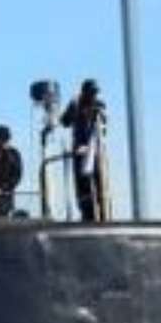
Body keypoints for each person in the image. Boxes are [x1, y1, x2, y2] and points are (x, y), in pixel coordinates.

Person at [60, 79, 108, 222]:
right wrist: (73, 110)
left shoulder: (99, 106)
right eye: (90, 93)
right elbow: (64, 122)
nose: (92, 96)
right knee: (83, 186)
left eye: (94, 93)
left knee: (99, 184)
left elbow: (104, 128)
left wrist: (100, 114)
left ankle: (102, 215)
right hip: (80, 150)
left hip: (95, 151)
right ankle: (87, 215)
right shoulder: (75, 104)